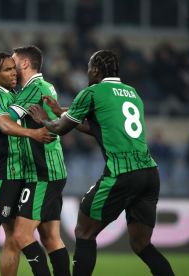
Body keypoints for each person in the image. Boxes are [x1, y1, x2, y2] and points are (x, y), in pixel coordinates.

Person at [27, 50, 175, 276]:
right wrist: (62, 111)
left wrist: (44, 120)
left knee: (84, 232)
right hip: (150, 173)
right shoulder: (132, 93)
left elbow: (60, 129)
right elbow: (99, 126)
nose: (87, 71)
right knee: (141, 245)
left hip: (122, 172)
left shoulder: (92, 92)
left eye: (88, 67)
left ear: (95, 69)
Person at [0, 46, 70, 276]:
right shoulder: (19, 90)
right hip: (28, 171)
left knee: (20, 236)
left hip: (39, 171)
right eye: (8, 67)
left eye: (14, 63)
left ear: (25, 63)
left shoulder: (33, 88)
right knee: (44, 238)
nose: (13, 67)